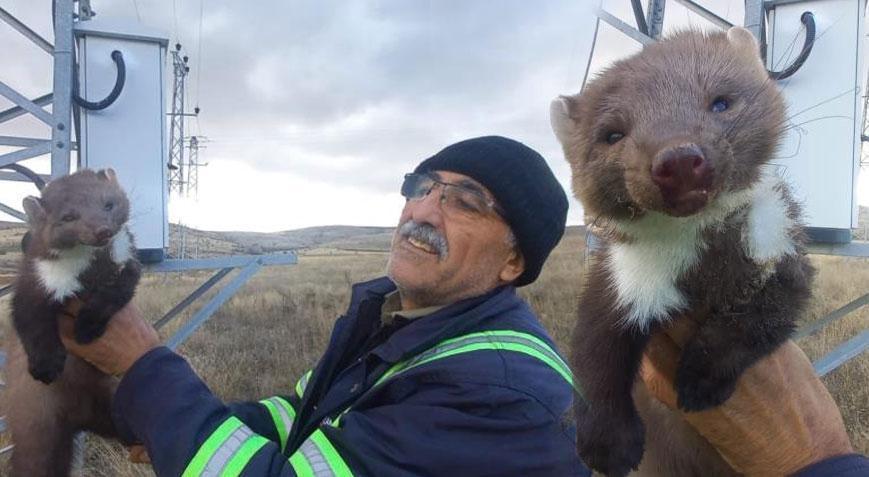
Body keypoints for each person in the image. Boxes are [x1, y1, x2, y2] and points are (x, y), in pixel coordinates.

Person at [59, 136, 869, 476]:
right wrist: (183, 417)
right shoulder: (395, 321)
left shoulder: (496, 389)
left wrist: (143, 365)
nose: (422, 210)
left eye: (465, 201)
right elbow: (300, 417)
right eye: (421, 188)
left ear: (514, 261)